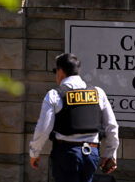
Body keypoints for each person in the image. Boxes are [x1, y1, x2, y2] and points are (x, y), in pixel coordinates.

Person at [29, 53, 119, 182]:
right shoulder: (98, 93)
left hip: (66, 154)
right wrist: (110, 154)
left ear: (60, 71)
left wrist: (34, 152)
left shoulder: (54, 95)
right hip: (91, 153)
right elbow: (112, 126)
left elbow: (43, 128)